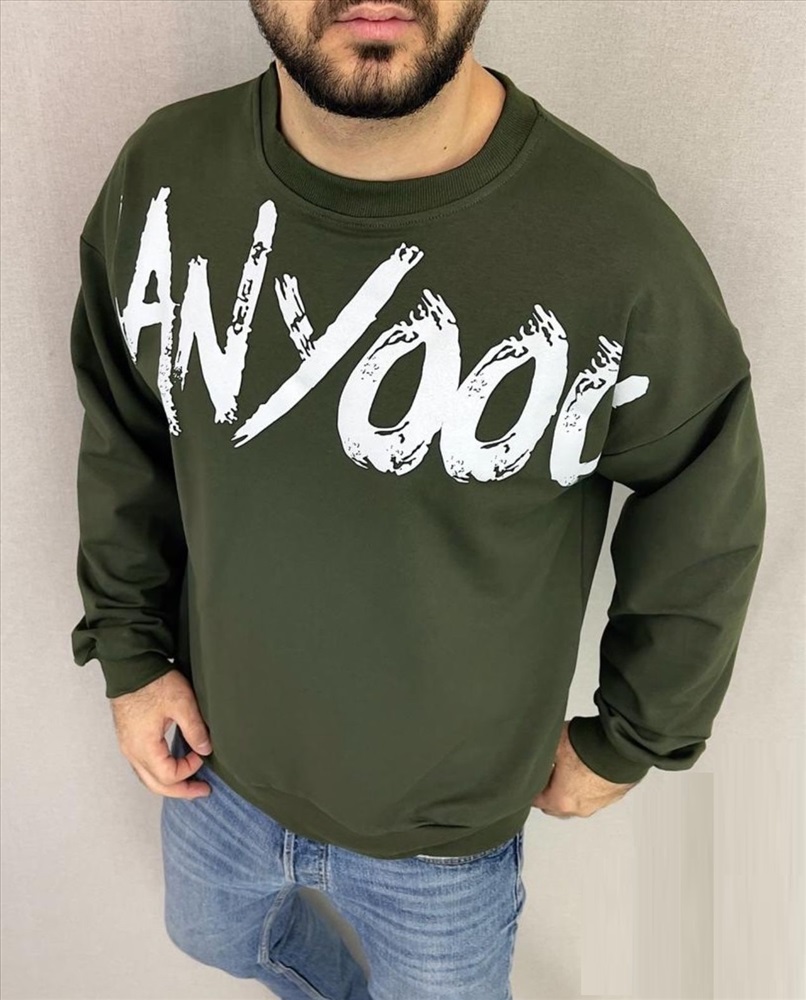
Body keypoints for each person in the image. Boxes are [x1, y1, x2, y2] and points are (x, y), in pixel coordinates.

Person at [68, 1, 767, 997]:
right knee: (214, 939)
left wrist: (631, 737)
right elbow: (123, 430)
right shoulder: (164, 179)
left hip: (445, 838)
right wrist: (132, 656)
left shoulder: (617, 250)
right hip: (216, 767)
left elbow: (702, 501)